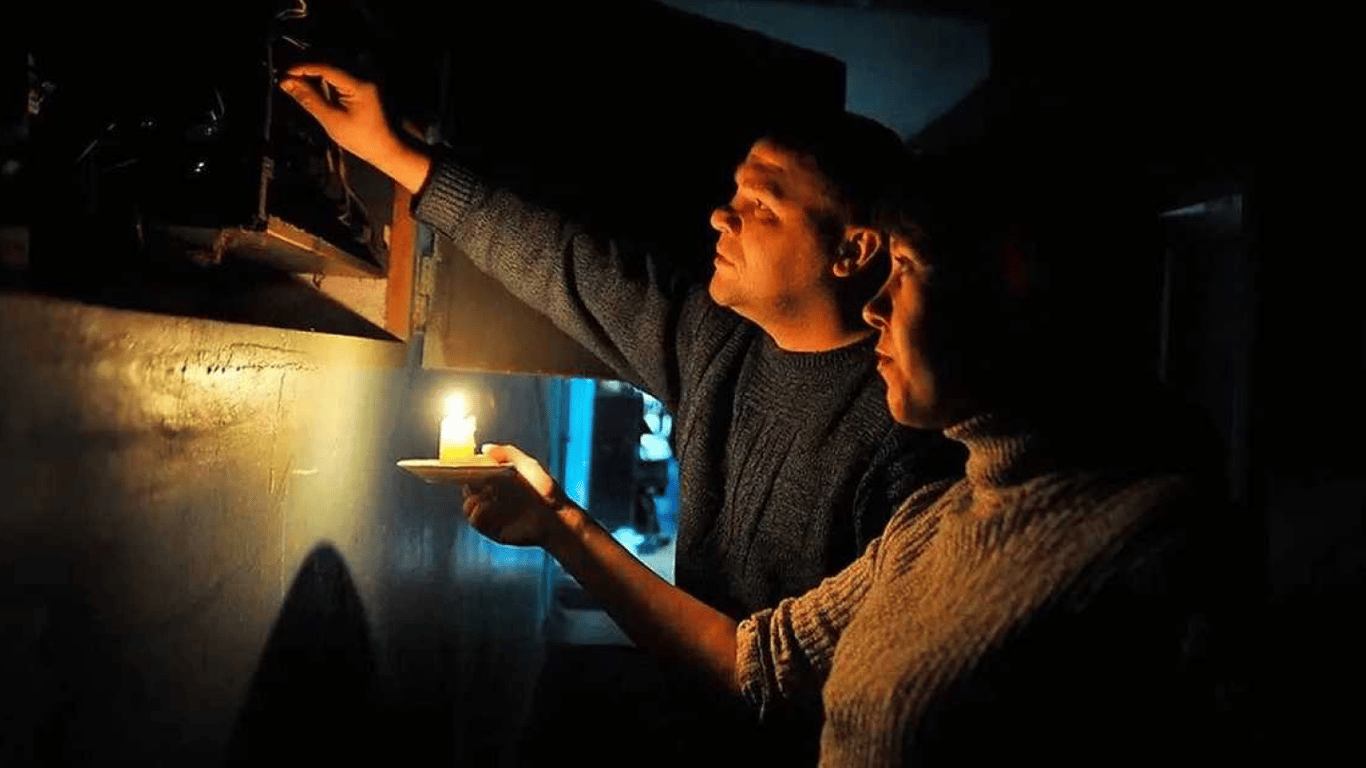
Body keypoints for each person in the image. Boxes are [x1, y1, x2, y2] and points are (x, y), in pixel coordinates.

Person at [279, 65, 965, 764]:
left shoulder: (911, 439)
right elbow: (564, 264)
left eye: (762, 205)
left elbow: (780, 682)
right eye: (734, 192)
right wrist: (393, 153)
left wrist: (560, 525)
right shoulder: (718, 345)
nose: (721, 215)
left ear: (852, 250)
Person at [458, 149, 1235, 766]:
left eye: (909, 269)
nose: (877, 305)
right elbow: (755, 664)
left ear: (1012, 287)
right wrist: (558, 523)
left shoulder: (1149, 545)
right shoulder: (933, 523)